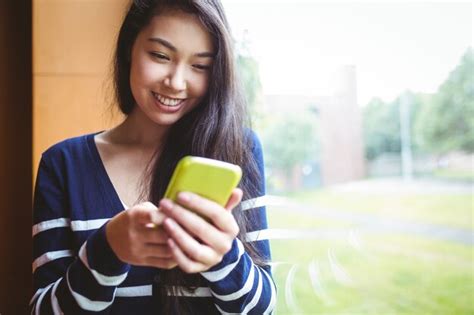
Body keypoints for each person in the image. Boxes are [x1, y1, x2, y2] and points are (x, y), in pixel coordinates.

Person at [30, 0, 276, 314]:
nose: (175, 82)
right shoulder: (63, 164)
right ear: (129, 49)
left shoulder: (238, 150)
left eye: (199, 66)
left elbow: (264, 310)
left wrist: (224, 256)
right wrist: (106, 250)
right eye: (160, 56)